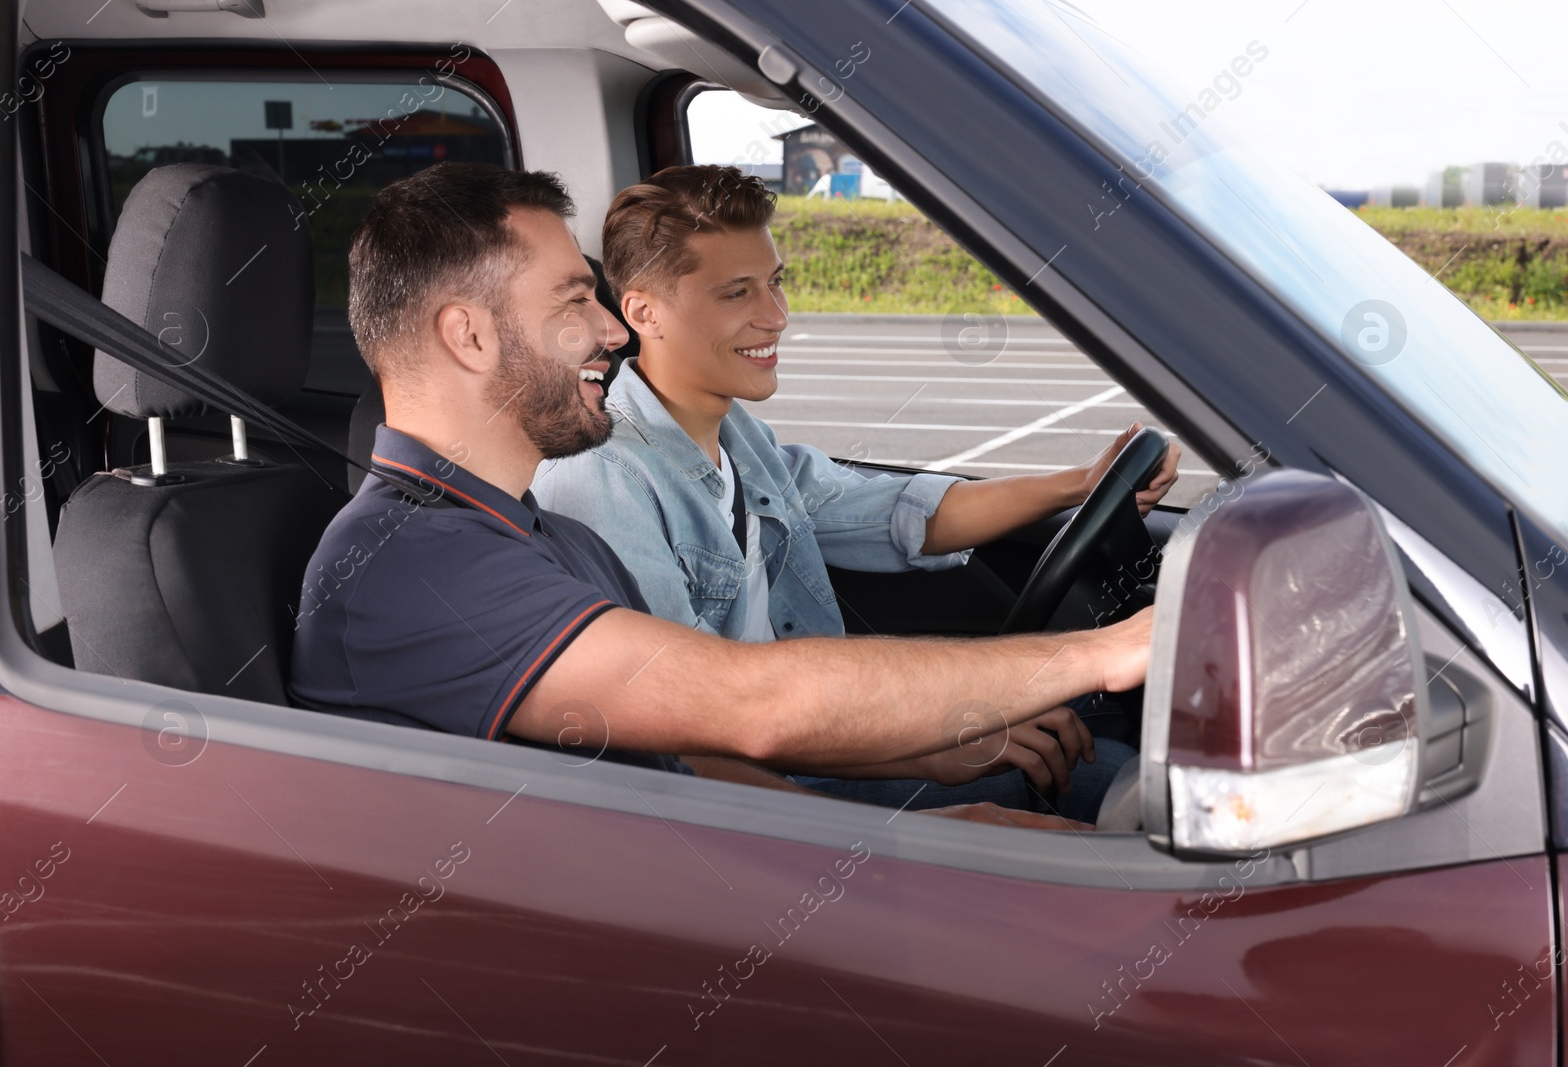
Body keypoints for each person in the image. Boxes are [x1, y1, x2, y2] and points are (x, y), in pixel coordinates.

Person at [289, 161, 1155, 832]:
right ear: (468, 336)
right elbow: (744, 707)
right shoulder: (409, 563)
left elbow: (672, 754)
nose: (610, 331)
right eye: (575, 300)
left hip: (695, 863)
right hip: (644, 917)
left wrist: (929, 775)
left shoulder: (537, 535)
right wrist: (1105, 653)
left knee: (1116, 801)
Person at [532, 164, 1180, 820]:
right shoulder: (603, 477)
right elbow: (685, 738)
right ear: (644, 310)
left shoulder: (741, 437)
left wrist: (1079, 486)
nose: (777, 316)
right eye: (737, 293)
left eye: (775, 283)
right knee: (1118, 791)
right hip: (768, 792)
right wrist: (926, 748)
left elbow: (897, 515)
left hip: (821, 740)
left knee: (1103, 726)